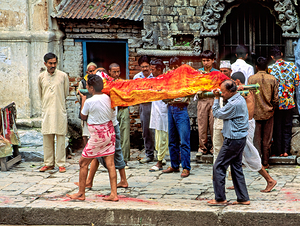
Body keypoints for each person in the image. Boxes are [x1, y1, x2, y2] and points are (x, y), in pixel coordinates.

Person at [67, 74, 118, 201]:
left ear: (90, 88)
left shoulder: (90, 101)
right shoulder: (109, 98)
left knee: (82, 163)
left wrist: (83, 99)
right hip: (109, 132)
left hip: (97, 135)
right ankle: (114, 194)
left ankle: (81, 193)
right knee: (110, 163)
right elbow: (113, 116)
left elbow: (83, 116)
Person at [230, 72, 277, 192]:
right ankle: (237, 182)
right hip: (243, 125)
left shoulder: (245, 92)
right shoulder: (244, 90)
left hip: (245, 126)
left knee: (251, 155)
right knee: (237, 156)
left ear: (237, 82)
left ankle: (269, 180)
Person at [208, 80, 250, 205]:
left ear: (231, 91)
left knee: (219, 166)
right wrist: (220, 96)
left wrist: (216, 99)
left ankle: (220, 198)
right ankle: (243, 198)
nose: (222, 94)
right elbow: (225, 107)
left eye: (224, 92)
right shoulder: (238, 99)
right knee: (236, 167)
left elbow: (217, 113)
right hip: (239, 137)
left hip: (233, 139)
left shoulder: (234, 104)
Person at [38, 53, 69, 173]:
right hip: (47, 110)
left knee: (61, 137)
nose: (53, 65)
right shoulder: (41, 77)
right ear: (45, 63)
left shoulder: (63, 76)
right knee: (47, 136)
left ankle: (61, 163)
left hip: (59, 110)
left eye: (55, 63)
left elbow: (65, 93)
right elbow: (41, 94)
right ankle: (48, 163)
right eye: (50, 63)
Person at [162, 57, 191, 178]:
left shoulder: (185, 78)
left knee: (184, 140)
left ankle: (186, 167)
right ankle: (174, 165)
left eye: (176, 66)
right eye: (171, 66)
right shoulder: (167, 78)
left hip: (181, 109)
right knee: (172, 139)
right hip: (171, 108)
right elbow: (163, 94)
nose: (173, 69)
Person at [268, 46, 299, 157]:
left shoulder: (271, 68)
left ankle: (278, 150)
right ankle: (286, 151)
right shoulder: (292, 66)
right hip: (289, 101)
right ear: (281, 54)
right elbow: (296, 83)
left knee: (277, 126)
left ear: (272, 56)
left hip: (277, 102)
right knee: (287, 126)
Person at [248, 57, 279, 168]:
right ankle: (265, 162)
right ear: (267, 67)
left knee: (256, 140)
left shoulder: (251, 79)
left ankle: (258, 163)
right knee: (267, 140)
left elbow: (249, 96)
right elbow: (276, 99)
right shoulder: (272, 79)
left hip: (255, 113)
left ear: (256, 67)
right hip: (269, 112)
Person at [196, 50, 219, 156]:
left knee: (213, 124)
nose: (206, 63)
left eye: (208, 60)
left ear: (213, 60)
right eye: (204, 60)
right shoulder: (198, 72)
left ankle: (215, 147)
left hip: (214, 99)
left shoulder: (217, 73)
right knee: (202, 124)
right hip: (202, 100)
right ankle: (202, 147)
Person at [134, 55, 155, 163]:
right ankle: (149, 153)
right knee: (146, 130)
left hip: (156, 105)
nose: (145, 69)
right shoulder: (136, 78)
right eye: (142, 67)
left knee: (157, 130)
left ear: (150, 66)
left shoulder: (155, 76)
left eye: (146, 66)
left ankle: (160, 155)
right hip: (144, 105)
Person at [108, 63, 131, 166]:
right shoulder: (106, 83)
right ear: (109, 72)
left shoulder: (123, 83)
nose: (116, 74)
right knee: (112, 135)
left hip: (123, 108)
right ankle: (111, 159)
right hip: (111, 110)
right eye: (114, 72)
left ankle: (124, 159)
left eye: (118, 72)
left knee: (125, 135)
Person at [148, 59, 168, 172]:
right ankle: (161, 157)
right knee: (157, 136)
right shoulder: (153, 80)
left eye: (153, 69)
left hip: (163, 111)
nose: (151, 72)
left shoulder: (165, 80)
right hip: (155, 111)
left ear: (159, 69)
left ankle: (160, 161)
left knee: (163, 137)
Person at [212, 60, 231, 162]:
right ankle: (216, 173)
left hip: (230, 123)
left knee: (229, 150)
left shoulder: (234, 86)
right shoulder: (216, 85)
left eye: (225, 71)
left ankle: (230, 173)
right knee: (217, 148)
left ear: (230, 71)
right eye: (221, 71)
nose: (223, 73)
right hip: (218, 122)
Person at [76, 62, 97, 147]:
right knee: (85, 133)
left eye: (93, 71)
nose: (92, 72)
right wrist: (83, 99)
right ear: (87, 72)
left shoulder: (98, 81)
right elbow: (78, 93)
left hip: (95, 109)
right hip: (85, 108)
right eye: (90, 71)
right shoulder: (83, 82)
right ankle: (86, 151)